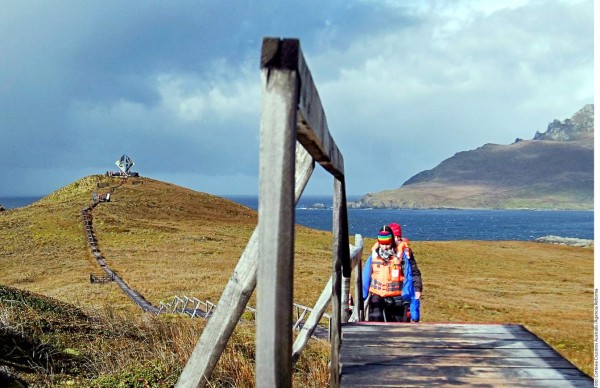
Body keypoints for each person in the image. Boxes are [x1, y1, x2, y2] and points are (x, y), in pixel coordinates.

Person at [362, 224, 423, 322]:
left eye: (387, 243)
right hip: (377, 297)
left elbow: (410, 277)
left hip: (398, 298)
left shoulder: (403, 257)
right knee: (375, 322)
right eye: (382, 243)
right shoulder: (373, 257)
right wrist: (362, 297)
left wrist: (411, 301)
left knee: (398, 329)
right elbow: (365, 278)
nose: (385, 247)